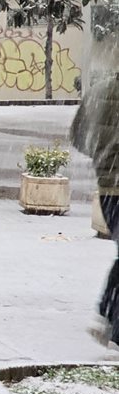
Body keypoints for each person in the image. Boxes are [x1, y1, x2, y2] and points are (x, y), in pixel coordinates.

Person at [71, 72, 119, 343]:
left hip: (109, 189)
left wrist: (103, 155)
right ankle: (108, 321)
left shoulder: (99, 90)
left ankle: (107, 318)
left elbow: (77, 135)